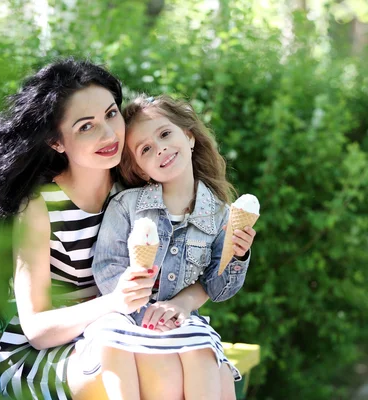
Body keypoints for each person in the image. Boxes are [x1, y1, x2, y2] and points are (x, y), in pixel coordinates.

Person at [0, 59, 214, 400]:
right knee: (151, 368)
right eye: (85, 127)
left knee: (184, 365)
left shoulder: (133, 192)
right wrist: (115, 302)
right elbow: (37, 329)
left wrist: (233, 250)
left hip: (124, 337)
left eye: (111, 114)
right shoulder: (40, 207)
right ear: (56, 142)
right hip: (49, 355)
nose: (109, 134)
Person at [90, 94, 257, 400]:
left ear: (190, 137)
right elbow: (107, 268)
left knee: (208, 363)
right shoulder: (127, 207)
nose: (161, 149)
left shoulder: (221, 214)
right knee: (197, 371)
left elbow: (217, 287)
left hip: (182, 322)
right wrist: (145, 311)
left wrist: (239, 255)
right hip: (129, 320)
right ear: (141, 169)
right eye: (146, 149)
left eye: (165, 134)